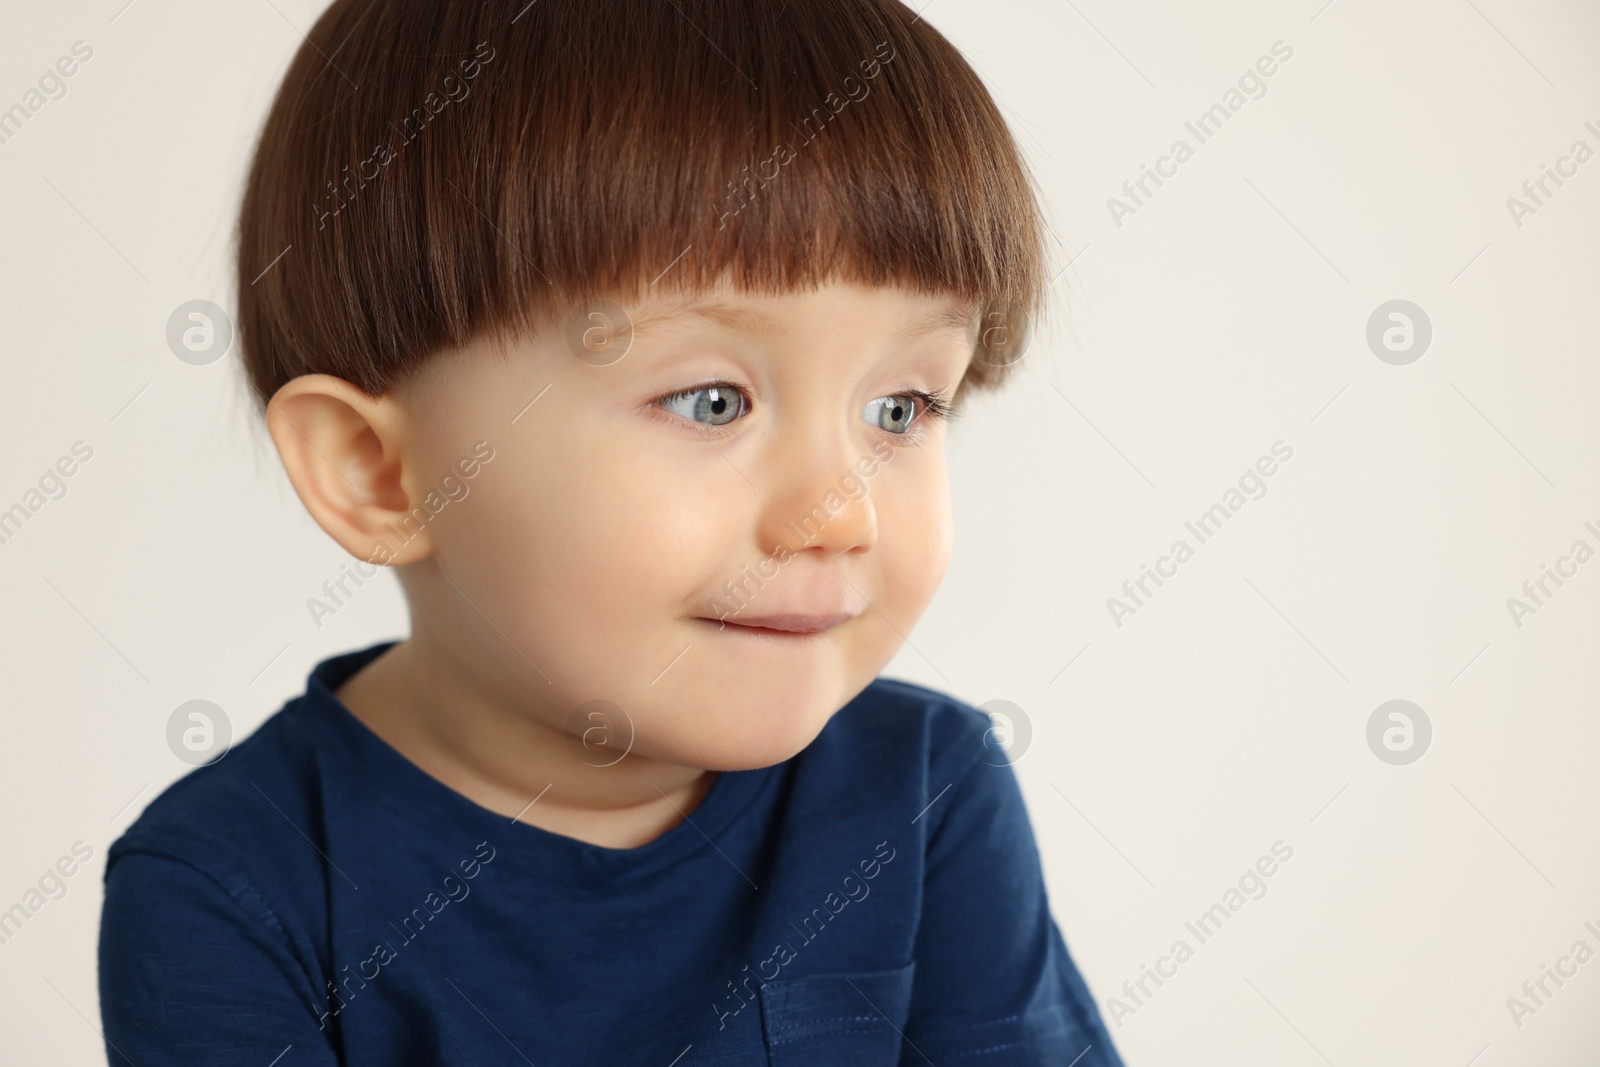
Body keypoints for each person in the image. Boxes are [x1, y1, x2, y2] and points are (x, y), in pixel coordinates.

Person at [97, 0, 1126, 1063]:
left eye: (900, 408)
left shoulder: (922, 795)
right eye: (712, 401)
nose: (844, 510)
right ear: (379, 473)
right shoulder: (234, 886)